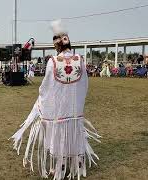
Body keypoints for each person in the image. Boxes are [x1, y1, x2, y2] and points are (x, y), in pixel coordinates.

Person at [10, 20, 100, 180]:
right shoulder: (80, 60)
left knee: (58, 137)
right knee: (72, 135)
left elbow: (46, 88)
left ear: (57, 46)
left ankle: (59, 167)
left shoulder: (53, 62)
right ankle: (74, 166)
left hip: (58, 112)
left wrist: (41, 104)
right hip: (74, 111)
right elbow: (84, 85)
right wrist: (78, 102)